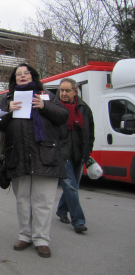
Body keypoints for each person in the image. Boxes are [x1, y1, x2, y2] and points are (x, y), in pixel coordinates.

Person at [0, 63, 68, 258]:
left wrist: (44, 106)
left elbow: (63, 116)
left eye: (26, 73)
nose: (22, 76)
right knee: (23, 200)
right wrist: (7, 111)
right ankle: (25, 235)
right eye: (18, 74)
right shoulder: (7, 99)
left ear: (33, 76)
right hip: (18, 156)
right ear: (14, 79)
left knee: (43, 201)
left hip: (45, 156)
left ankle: (42, 239)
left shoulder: (47, 95)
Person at [56, 78, 94, 233]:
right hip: (62, 154)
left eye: (67, 90)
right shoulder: (56, 108)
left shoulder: (84, 109)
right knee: (70, 186)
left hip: (79, 154)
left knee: (73, 187)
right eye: (61, 90)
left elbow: (90, 132)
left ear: (75, 91)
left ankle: (61, 210)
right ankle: (78, 221)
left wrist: (88, 151)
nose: (63, 94)